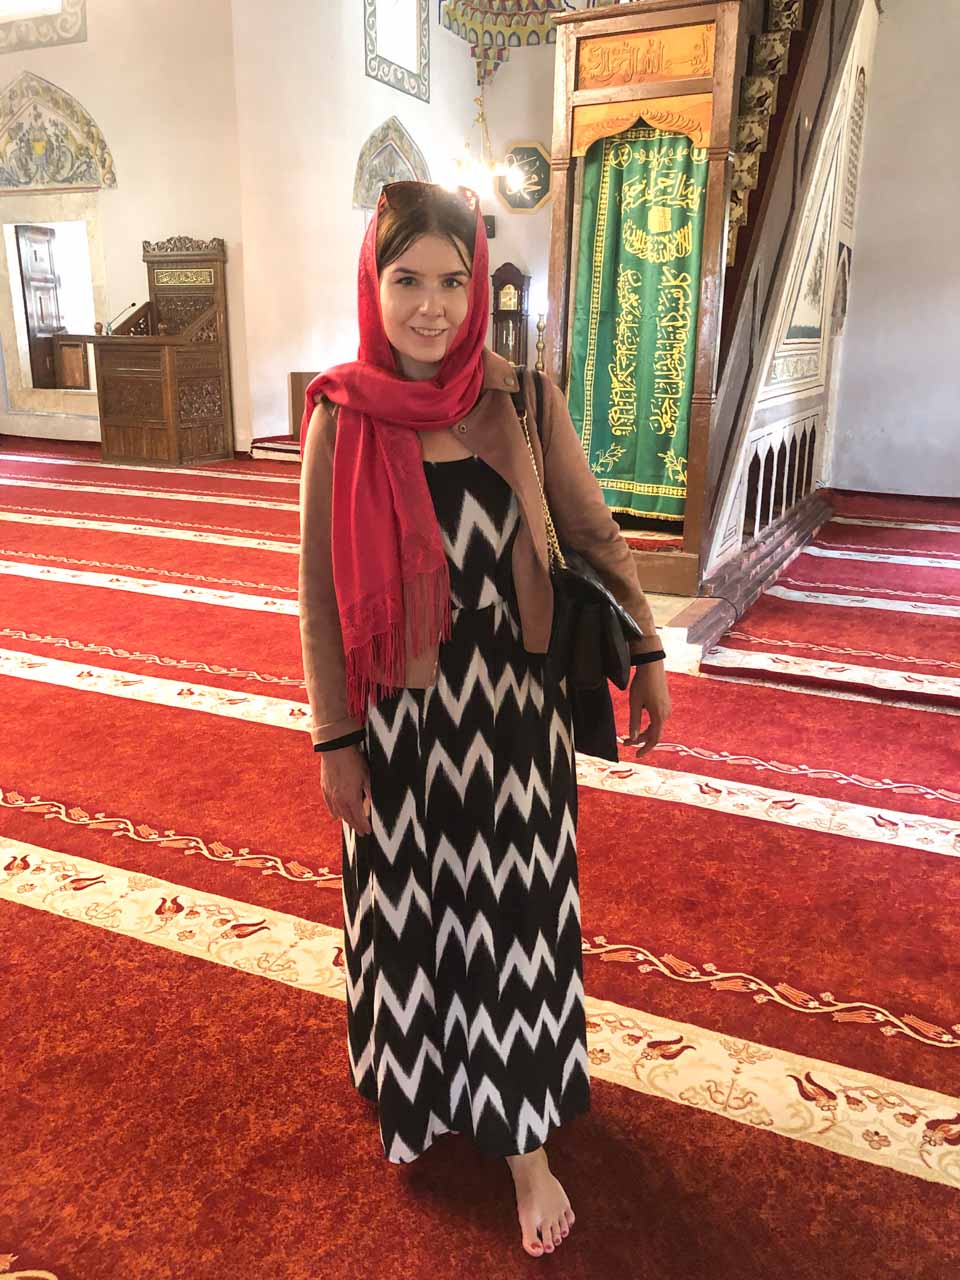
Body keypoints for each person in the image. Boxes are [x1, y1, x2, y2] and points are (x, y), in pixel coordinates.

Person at [297, 181, 671, 1259]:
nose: (430, 307)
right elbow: (323, 594)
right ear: (373, 283)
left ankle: (524, 1146)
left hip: (511, 721)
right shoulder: (341, 414)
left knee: (511, 921)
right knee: (409, 916)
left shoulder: (522, 397)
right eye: (405, 279)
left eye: (451, 281)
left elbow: (593, 532)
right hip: (400, 726)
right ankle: (421, 1087)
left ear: (478, 286)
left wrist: (645, 649)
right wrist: (335, 740)